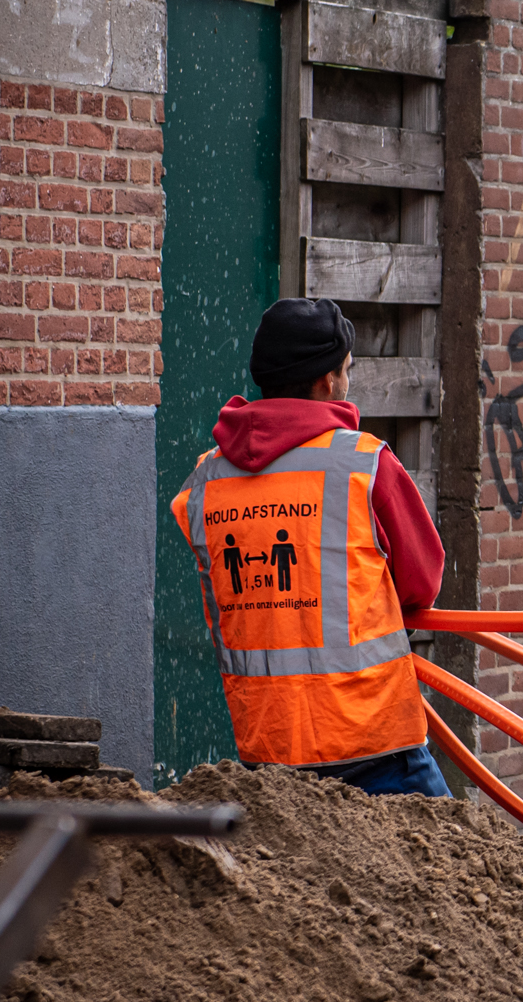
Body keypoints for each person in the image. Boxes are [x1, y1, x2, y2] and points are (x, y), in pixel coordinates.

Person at [169, 298, 453, 798]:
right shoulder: (366, 466)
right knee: (458, 870)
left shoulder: (203, 483)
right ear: (327, 381)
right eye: (346, 370)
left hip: (268, 752)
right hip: (374, 744)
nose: (347, 382)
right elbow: (422, 582)